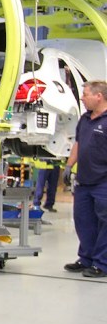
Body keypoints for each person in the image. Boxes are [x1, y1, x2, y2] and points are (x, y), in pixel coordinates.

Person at [64, 80, 107, 278]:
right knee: (84, 221)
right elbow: (78, 143)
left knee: (104, 223)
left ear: (99, 96)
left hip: (103, 181)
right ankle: (86, 259)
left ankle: (102, 264)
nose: (82, 98)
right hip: (83, 181)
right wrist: (69, 165)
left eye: (85, 94)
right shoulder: (85, 119)